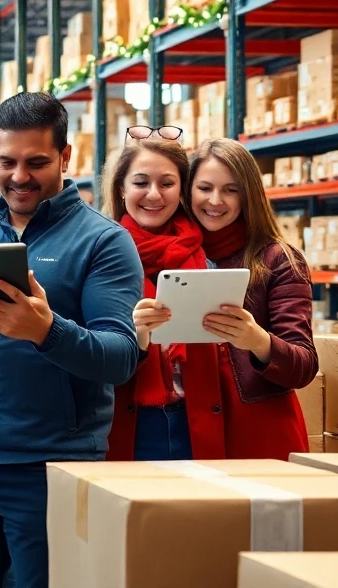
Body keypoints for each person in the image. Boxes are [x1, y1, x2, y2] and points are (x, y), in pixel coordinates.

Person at [0, 92, 142, 588]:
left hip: (52, 465)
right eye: (7, 161)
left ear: (65, 157)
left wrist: (44, 330)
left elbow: (121, 357)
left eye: (36, 162)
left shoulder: (103, 241)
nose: (18, 176)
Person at [141, 138, 315, 459]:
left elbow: (304, 367)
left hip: (259, 435)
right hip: (186, 430)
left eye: (231, 190)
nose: (215, 201)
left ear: (248, 195)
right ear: (187, 191)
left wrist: (257, 340)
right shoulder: (166, 255)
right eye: (204, 188)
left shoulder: (279, 260)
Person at [100, 136, 221, 462]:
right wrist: (136, 337)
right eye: (141, 182)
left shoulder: (206, 258)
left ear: (181, 190)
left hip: (194, 419)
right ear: (121, 188)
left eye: (167, 183)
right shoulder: (99, 257)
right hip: (128, 421)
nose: (154, 194)